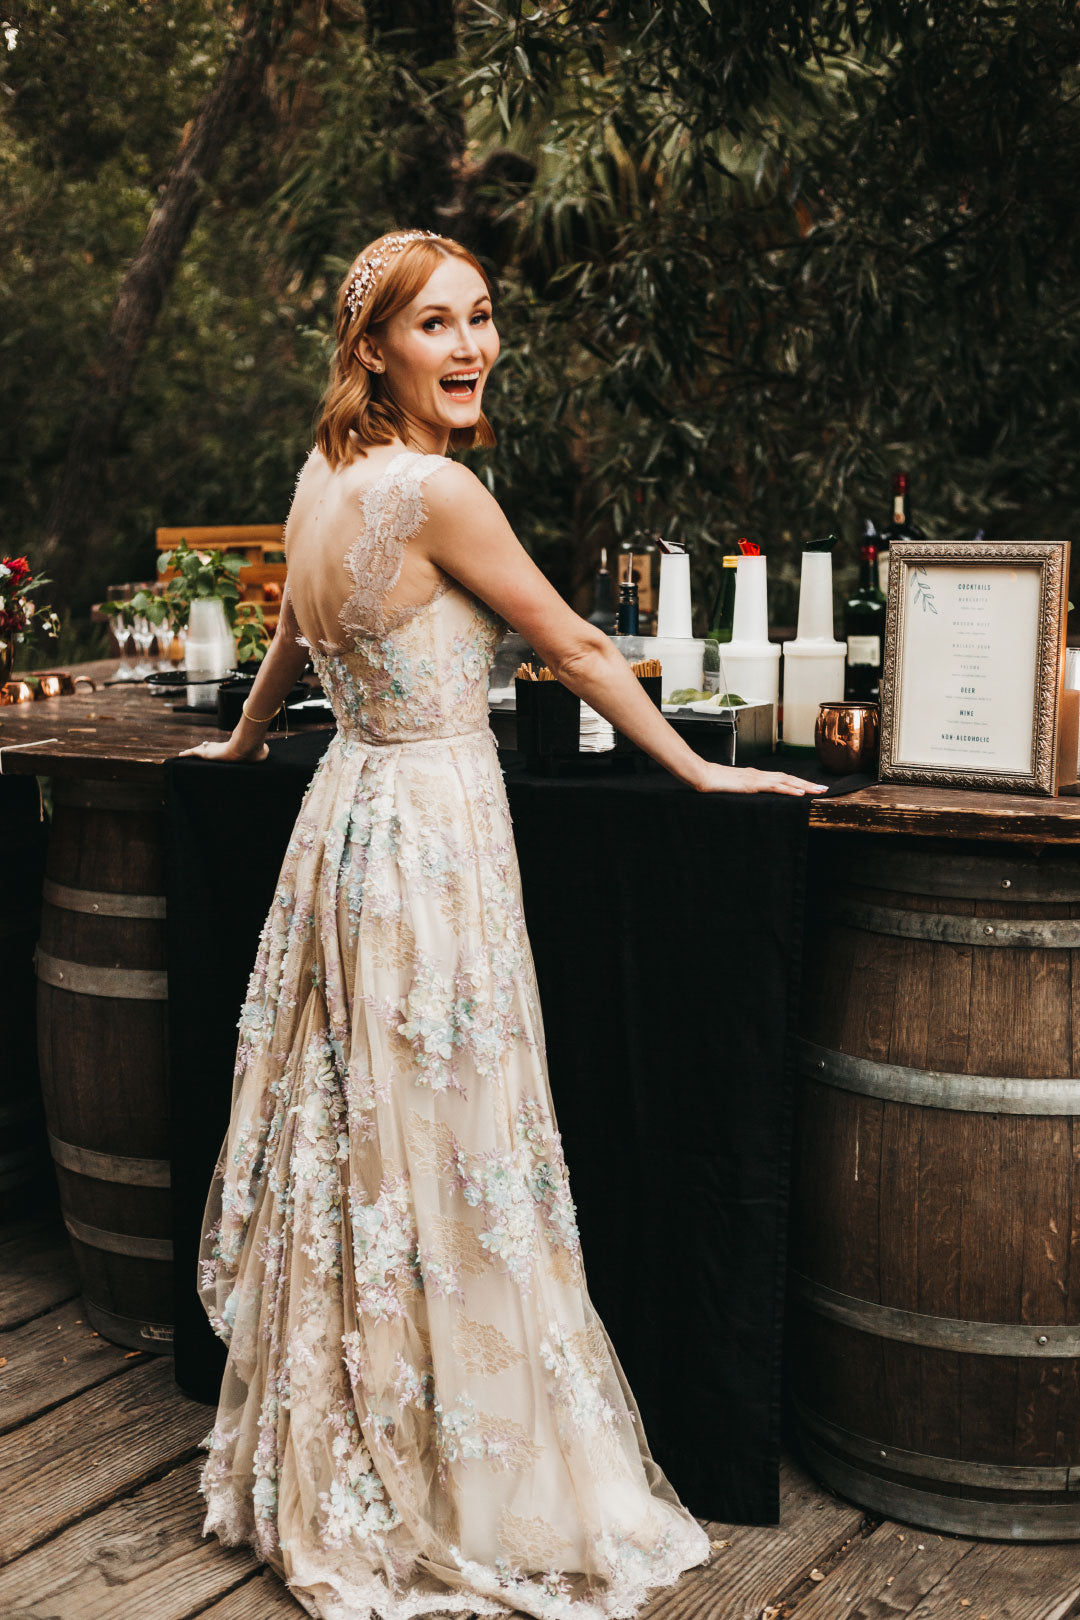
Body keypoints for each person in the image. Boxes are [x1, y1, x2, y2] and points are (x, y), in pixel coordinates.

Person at [182, 228, 824, 1620]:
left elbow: (290, 634)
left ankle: (365, 1431)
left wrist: (241, 756)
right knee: (454, 1139)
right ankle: (453, 1478)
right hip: (427, 845)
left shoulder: (325, 472)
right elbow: (578, 647)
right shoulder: (433, 489)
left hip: (347, 823)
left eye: (481, 319)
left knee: (368, 1133)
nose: (470, 346)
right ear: (376, 351)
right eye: (436, 326)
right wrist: (706, 769)